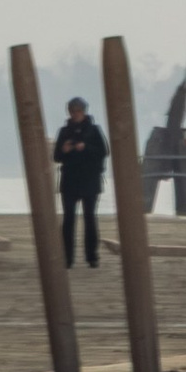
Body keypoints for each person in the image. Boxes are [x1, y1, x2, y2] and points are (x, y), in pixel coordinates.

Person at [54, 96, 107, 269]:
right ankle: (67, 258)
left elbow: (103, 151)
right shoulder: (64, 131)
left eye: (78, 111)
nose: (75, 114)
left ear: (84, 112)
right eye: (72, 111)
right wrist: (65, 149)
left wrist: (85, 147)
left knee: (90, 218)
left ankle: (92, 257)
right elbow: (56, 156)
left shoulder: (94, 130)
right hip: (69, 181)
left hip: (90, 180)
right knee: (68, 220)